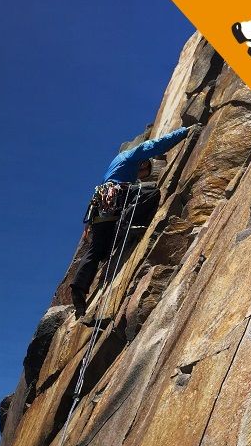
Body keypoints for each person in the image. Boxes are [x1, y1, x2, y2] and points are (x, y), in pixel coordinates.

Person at [70, 123, 201, 315]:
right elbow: (155, 145)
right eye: (143, 172)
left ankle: (78, 289)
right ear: (142, 164)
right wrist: (185, 131)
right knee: (150, 192)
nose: (140, 176)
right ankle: (127, 226)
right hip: (115, 197)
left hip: (103, 207)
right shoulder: (130, 156)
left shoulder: (116, 166)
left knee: (98, 249)